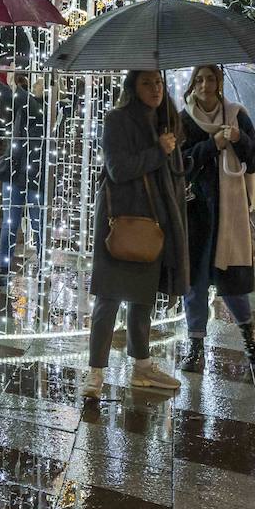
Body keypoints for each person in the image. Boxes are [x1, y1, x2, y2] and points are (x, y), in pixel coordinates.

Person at [81, 70, 188, 398]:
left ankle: (142, 367)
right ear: (133, 87)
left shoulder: (166, 120)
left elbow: (174, 173)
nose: (155, 88)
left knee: (143, 297)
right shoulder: (117, 120)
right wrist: (158, 151)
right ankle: (95, 373)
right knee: (109, 297)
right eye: (146, 83)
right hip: (121, 218)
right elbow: (117, 168)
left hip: (155, 219)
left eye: (158, 82)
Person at [178, 65, 255, 372]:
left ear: (219, 83)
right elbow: (181, 164)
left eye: (210, 79)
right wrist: (211, 146)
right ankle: (195, 345)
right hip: (197, 212)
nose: (204, 85)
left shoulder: (237, 115)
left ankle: (249, 333)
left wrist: (239, 139)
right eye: (199, 80)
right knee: (195, 283)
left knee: (231, 282)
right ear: (193, 84)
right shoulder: (185, 119)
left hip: (231, 212)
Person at [0, 73, 47, 287]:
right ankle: (7, 268)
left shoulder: (40, 108)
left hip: (29, 175)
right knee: (21, 223)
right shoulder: (28, 105)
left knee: (27, 223)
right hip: (25, 174)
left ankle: (10, 269)